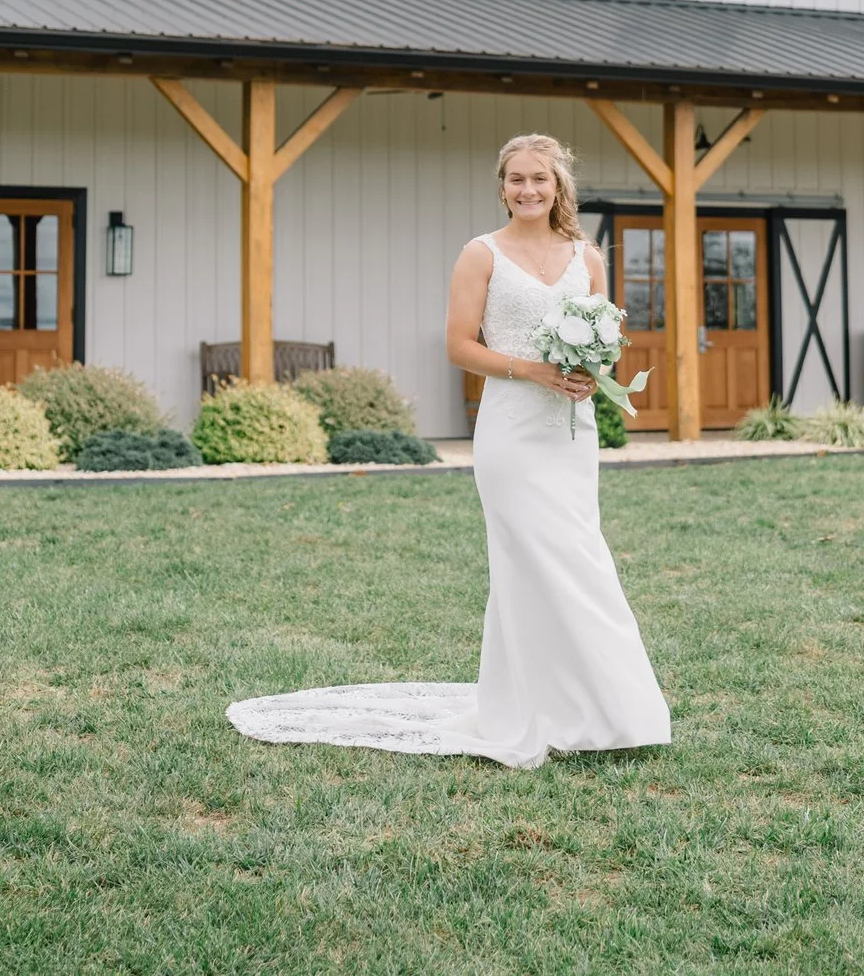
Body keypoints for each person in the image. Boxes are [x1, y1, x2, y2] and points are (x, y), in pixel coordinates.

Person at [226, 133, 671, 769]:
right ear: (502, 185)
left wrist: (586, 371)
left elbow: (602, 342)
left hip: (570, 433)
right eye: (515, 178)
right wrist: (534, 370)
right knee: (528, 565)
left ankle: (603, 708)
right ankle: (530, 713)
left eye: (539, 179)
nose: (527, 190)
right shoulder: (480, 254)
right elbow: (460, 346)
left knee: (581, 558)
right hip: (512, 433)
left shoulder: (586, 258)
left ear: (559, 187)